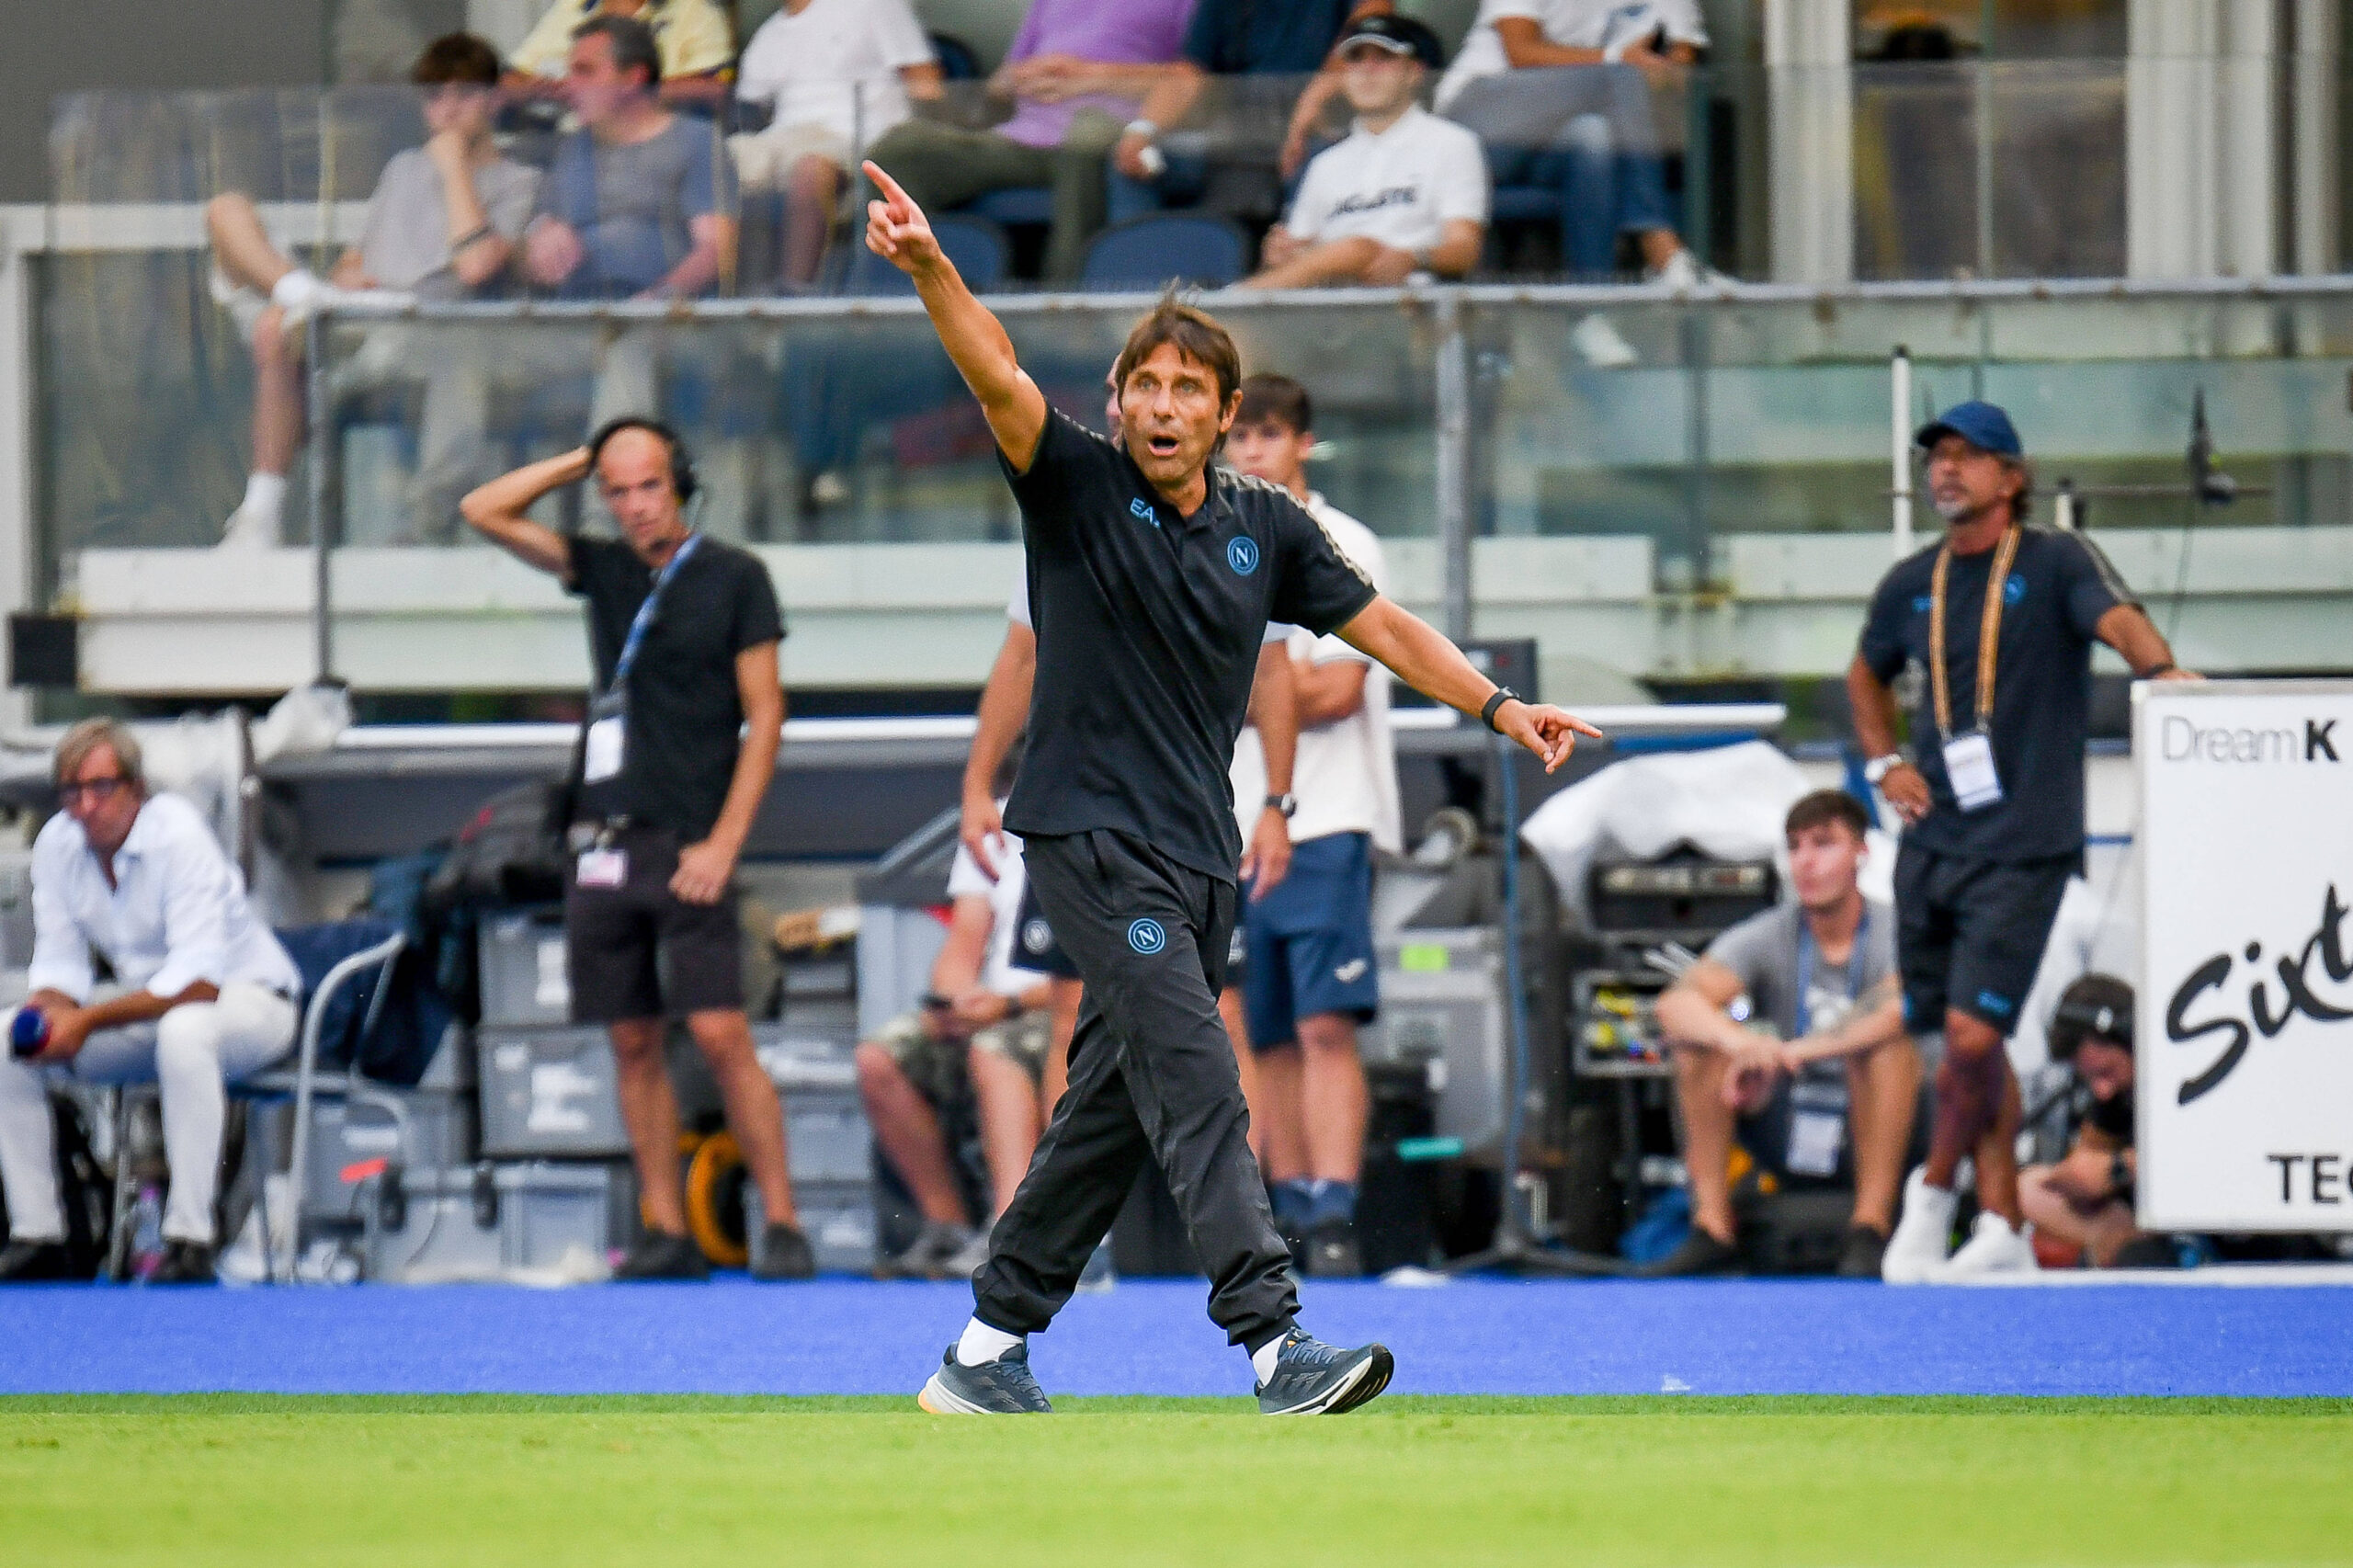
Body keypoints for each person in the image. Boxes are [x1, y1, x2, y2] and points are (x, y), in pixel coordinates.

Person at [863, 158, 1602, 1415]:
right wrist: (935, 266)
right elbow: (995, 370)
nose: (1162, 404)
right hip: (1091, 842)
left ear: (1224, 412)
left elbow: (1385, 629)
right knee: (1202, 1072)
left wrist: (1497, 703)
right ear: (1117, 402)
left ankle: (985, 1350)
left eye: (1187, 389)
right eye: (1143, 384)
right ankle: (1274, 1341)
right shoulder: (1074, 484)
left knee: (1106, 1110)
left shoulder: (1269, 525)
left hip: (1201, 857)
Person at [1852, 400, 2197, 1283]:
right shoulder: (1912, 579)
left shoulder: (2052, 560)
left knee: (1972, 1039)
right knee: (1957, 1039)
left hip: (2024, 844)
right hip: (1934, 842)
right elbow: (1864, 672)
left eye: (1970, 457)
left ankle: (1931, 1203)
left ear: (2014, 476)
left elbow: (2118, 618)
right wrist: (1885, 757)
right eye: (1937, 456)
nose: (1946, 470)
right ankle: (2002, 1219)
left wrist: (2160, 676)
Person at [460, 417, 812, 1281]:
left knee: (723, 1032)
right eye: (616, 491)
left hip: (694, 839)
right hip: (605, 839)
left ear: (681, 483)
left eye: (649, 484)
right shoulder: (606, 568)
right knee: (630, 1040)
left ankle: (784, 1222)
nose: (634, 506)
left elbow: (765, 716)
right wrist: (584, 455)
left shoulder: (735, 577)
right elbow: (483, 510)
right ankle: (664, 1227)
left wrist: (726, 843)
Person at [205, 33, 540, 549]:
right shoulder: (403, 169)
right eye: (434, 97)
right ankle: (296, 293)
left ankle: (260, 514)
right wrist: (344, 278)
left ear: (493, 99)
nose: (446, 111)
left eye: (462, 95)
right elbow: (359, 259)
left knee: (277, 329)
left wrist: (453, 165)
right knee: (225, 210)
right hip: (351, 315)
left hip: (422, 334)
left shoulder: (521, 182)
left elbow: (476, 267)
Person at [0, 722, 302, 1286]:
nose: (85, 807)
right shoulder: (57, 845)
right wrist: (46, 1017)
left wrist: (83, 1019)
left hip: (253, 1005)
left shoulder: (177, 835)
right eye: (71, 792)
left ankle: (191, 1240)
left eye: (101, 788)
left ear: (137, 789)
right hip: (155, 1013)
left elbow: (198, 982)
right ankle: (39, 1237)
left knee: (186, 1031)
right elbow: (61, 967)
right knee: (5, 1037)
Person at [1220, 374, 1400, 1278]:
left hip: (1322, 817)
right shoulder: (1207, 536)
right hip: (1228, 821)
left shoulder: (1345, 540)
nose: (1251, 449)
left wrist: (1230, 696)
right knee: (1259, 1031)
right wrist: (1262, 695)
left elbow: (1336, 687)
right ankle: (1285, 1209)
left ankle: (1335, 1207)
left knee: (1326, 1023)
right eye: (1239, 434)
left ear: (1303, 443)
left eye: (1268, 433)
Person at [1647, 790, 1920, 1278]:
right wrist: (1744, 1045)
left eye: (1823, 844)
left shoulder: (1893, 930)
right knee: (1699, 1049)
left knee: (1883, 1049)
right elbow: (1675, 1004)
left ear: (1862, 853)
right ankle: (1712, 1227)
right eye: (1795, 847)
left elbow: (1900, 1008)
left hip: (1876, 1121)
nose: (1806, 863)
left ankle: (1870, 1228)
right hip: (1788, 1114)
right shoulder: (1772, 932)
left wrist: (1798, 1051)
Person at [858, 767, 1056, 1281]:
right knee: (880, 1058)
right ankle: (945, 1224)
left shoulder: (1111, 833)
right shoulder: (992, 831)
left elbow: (1100, 977)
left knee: (994, 1048)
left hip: (1059, 1012)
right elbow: (963, 945)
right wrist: (951, 1002)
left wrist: (1007, 1007)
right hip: (991, 1008)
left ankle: (1011, 1233)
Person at [860, 0, 1194, 283]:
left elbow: (1195, 80)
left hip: (1110, 135)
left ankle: (1064, 301)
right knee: (898, 150)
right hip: (1022, 139)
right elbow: (998, 87)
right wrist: (1020, 77)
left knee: (1086, 139)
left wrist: (1094, 77)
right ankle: (918, 295)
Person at [1433, 0, 1709, 286]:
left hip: (1549, 138)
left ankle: (1592, 309)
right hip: (1476, 121)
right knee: (1620, 75)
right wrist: (1619, 59)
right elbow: (1521, 52)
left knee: (1594, 137)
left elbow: (1681, 67)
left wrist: (1661, 74)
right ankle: (1659, 246)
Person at [1244, 16, 1487, 290]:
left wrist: (1411, 258)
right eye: (1356, 58)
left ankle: (1227, 307)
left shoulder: (1453, 143)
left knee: (1359, 249)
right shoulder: (1325, 163)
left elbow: (1465, 248)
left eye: (1384, 57)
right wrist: (1277, 257)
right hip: (1328, 306)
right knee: (1354, 250)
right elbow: (1298, 257)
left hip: (1415, 300)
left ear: (1415, 71)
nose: (1367, 69)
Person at [521, 14, 738, 301]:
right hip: (574, 317)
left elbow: (716, 251)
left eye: (585, 72)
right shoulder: (572, 149)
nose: (569, 85)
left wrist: (652, 304)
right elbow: (525, 257)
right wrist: (541, 237)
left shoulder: (696, 140)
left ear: (633, 79)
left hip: (664, 322)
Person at [730, 0, 941, 288]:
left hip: (859, 140)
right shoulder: (768, 34)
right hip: (784, 137)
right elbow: (749, 105)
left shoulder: (874, 6)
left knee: (809, 168)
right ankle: (726, 300)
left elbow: (930, 89)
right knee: (718, 164)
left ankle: (795, 299)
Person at [2018, 975, 2166, 1269]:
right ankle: (2125, 1239)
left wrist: (2119, 1168)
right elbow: (2087, 1158)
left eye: (2106, 1072)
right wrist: (2077, 1178)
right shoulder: (2114, 1096)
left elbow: (2210, 1158)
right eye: (2090, 1080)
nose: (2102, 1090)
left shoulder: (2183, 1075)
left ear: (2131, 1035)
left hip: (2211, 1212)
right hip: (2144, 1216)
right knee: (2028, 1187)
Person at [506, 0, 733, 108]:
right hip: (571, 139)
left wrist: (622, 92)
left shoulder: (694, 9)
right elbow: (509, 79)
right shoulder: (570, 8)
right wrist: (543, 88)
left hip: (661, 140)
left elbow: (715, 86)